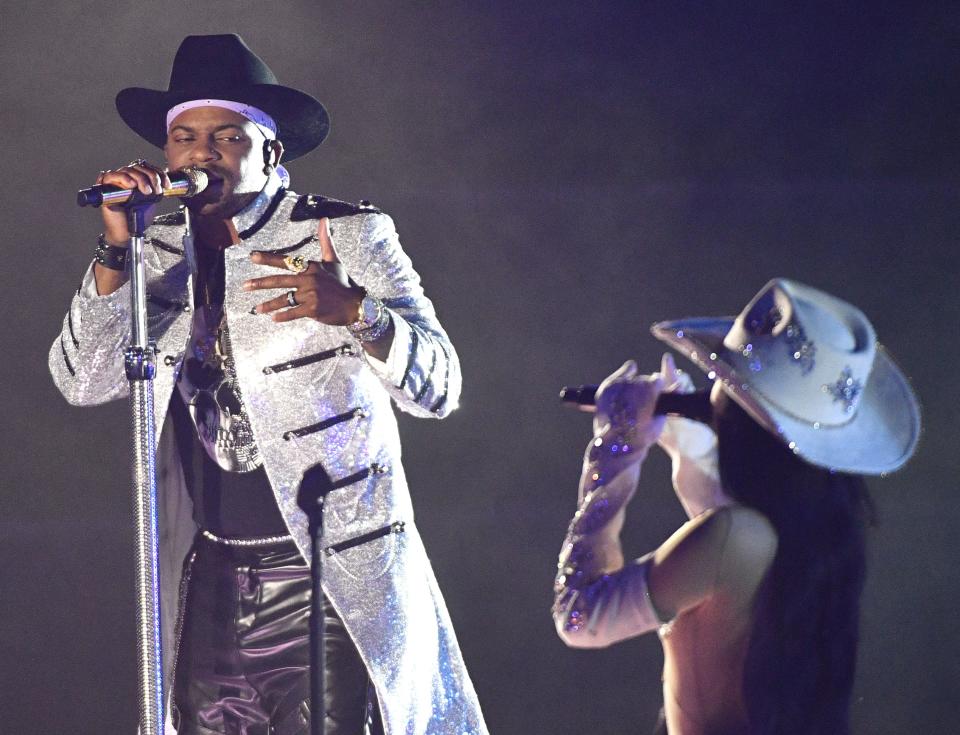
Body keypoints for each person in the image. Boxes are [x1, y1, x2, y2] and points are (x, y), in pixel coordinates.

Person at [49, 34, 487, 735]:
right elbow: (82, 379)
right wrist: (115, 250)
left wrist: (361, 315)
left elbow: (440, 386)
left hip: (326, 583)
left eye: (226, 135)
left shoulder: (344, 234)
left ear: (271, 152)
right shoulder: (157, 252)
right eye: (185, 136)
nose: (202, 152)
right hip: (212, 583)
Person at [552, 279, 921, 735]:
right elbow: (725, 553)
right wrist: (686, 447)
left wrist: (616, 449)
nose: (711, 392)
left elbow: (580, 616)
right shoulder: (819, 532)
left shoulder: (736, 536)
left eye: (721, 382)